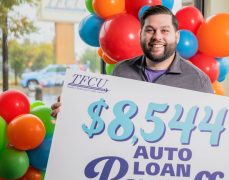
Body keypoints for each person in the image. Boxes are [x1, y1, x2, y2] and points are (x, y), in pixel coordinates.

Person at [51, 5, 213, 117]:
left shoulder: (198, 81)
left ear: (176, 37)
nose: (157, 36)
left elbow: (210, 133)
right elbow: (104, 115)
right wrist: (70, 113)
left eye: (164, 30)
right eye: (150, 30)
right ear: (140, 34)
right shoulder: (121, 71)